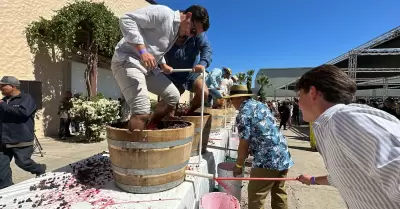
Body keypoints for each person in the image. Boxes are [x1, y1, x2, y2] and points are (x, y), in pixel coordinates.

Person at [295, 65, 400, 209]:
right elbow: (347, 174)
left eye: (299, 96)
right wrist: (312, 180)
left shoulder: (342, 119)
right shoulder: (333, 123)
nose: (298, 103)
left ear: (312, 92)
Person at [111, 5, 210, 130]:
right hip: (128, 61)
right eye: (193, 31)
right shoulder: (164, 13)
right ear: (189, 16)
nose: (190, 35)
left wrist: (162, 64)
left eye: (194, 35)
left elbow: (155, 47)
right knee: (142, 110)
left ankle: (149, 126)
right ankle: (133, 147)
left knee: (174, 96)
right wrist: (142, 51)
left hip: (148, 68)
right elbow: (126, 19)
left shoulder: (175, 31)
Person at [226, 85, 293, 209]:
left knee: (256, 196)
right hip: (283, 154)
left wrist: (239, 165)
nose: (230, 102)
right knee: (279, 193)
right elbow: (264, 128)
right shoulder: (260, 105)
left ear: (238, 98)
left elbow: (243, 143)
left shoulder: (243, 113)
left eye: (231, 99)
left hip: (267, 160)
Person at [0, 76, 46, 189]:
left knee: (22, 162)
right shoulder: (4, 101)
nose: (0, 88)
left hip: (21, 139)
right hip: (4, 139)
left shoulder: (27, 98)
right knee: (1, 166)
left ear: (12, 87)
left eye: (2, 85)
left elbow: (23, 113)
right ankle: (6, 188)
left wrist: (3, 106)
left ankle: (39, 169)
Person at [164, 30, 211, 115]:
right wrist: (162, 65)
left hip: (192, 74)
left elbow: (206, 48)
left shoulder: (197, 32)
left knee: (204, 92)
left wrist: (202, 63)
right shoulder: (168, 30)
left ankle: (189, 111)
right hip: (173, 75)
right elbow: (158, 50)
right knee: (169, 108)